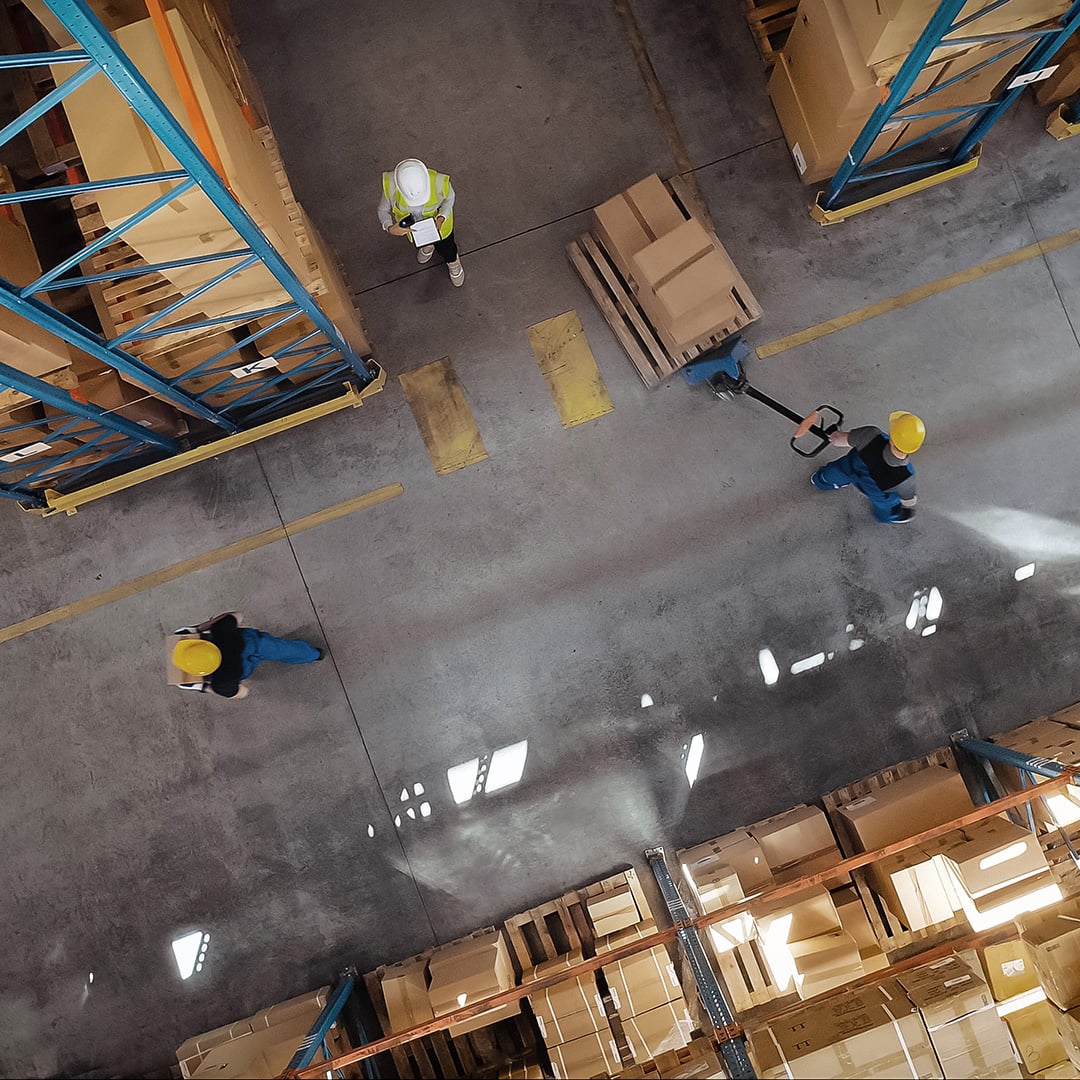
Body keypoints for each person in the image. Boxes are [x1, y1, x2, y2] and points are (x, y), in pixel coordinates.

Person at [171, 612, 322, 698]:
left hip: (242, 669)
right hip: (250, 642)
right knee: (280, 649)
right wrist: (210, 624)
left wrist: (212, 688)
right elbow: (237, 616)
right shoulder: (217, 630)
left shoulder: (219, 684)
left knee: (272, 652)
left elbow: (243, 693)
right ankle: (313, 654)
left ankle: (313, 655)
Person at [810, 411, 925, 524]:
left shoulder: (870, 435)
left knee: (837, 471)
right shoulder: (907, 477)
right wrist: (908, 510)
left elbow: (837, 439)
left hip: (852, 467)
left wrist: (833, 435)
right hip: (876, 491)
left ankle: (821, 480)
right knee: (887, 505)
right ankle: (887, 517)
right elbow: (908, 499)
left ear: (892, 438)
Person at [378, 158, 464, 287]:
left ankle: (453, 261)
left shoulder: (439, 182)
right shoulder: (391, 186)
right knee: (422, 242)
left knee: (447, 248)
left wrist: (442, 216)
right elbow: (382, 209)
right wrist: (389, 227)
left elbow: (450, 198)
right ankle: (428, 245)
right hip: (415, 232)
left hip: (441, 228)